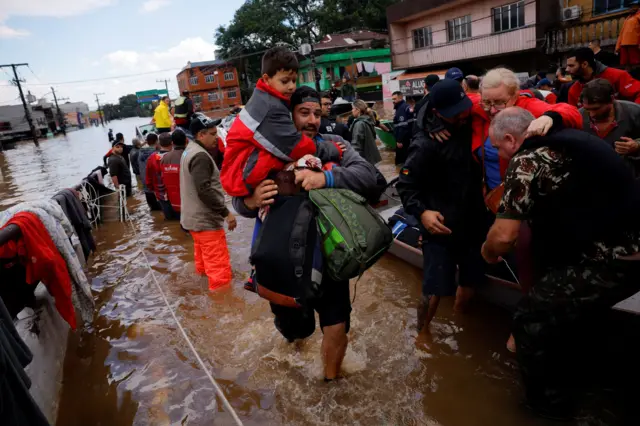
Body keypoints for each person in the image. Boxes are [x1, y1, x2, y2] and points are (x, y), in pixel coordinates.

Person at [482, 106, 640, 420]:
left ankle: (547, 408)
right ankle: (592, 381)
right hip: (627, 240)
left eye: (498, 147)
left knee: (529, 319)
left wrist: (487, 252)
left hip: (616, 258)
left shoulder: (526, 160)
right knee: (569, 310)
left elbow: (503, 237)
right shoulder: (572, 139)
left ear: (511, 139)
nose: (498, 153)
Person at [232, 86, 379, 381]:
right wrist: (251, 200)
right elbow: (239, 202)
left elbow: (370, 177)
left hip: (331, 256)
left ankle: (330, 383)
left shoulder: (335, 144)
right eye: (303, 113)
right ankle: (295, 360)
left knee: (336, 324)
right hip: (283, 262)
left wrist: (325, 177)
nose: (312, 120)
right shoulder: (268, 152)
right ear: (289, 116)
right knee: (297, 333)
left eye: (317, 113)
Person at [397, 79, 487, 334]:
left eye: (462, 109)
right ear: (437, 113)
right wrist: (422, 213)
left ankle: (460, 322)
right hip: (440, 225)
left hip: (473, 221)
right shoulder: (426, 143)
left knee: (471, 281)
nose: (461, 116)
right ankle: (422, 334)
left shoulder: (470, 123)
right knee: (433, 288)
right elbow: (406, 185)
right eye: (454, 113)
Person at [221, 46, 341, 197]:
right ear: (266, 79)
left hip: (239, 171)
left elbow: (367, 176)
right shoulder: (270, 108)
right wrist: (332, 149)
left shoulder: (268, 99)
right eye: (285, 81)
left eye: (293, 80)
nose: (291, 86)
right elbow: (295, 146)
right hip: (240, 175)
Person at [470, 68, 583, 192]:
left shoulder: (527, 108)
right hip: (492, 194)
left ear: (514, 95)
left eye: (499, 102)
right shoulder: (480, 109)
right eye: (486, 102)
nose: (492, 110)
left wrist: (549, 117)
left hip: (524, 193)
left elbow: (572, 113)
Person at [180, 114, 237, 291]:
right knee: (220, 272)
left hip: (193, 220)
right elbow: (204, 190)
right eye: (213, 134)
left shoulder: (189, 150)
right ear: (200, 135)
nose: (217, 137)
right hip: (206, 222)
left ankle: (204, 293)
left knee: (204, 264)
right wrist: (226, 213)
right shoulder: (201, 156)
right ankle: (221, 306)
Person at [579, 78, 640, 175]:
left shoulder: (635, 112)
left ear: (611, 99)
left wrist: (637, 145)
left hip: (628, 177)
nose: (591, 114)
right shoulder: (579, 116)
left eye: (596, 109)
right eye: (587, 109)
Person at [565, 47, 640, 107]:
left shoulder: (617, 76)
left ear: (584, 64)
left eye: (571, 66)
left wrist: (633, 115)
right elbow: (574, 116)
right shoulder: (574, 90)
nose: (567, 69)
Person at [146, 133, 175, 220]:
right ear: (172, 143)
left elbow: (148, 177)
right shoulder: (175, 156)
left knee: (169, 217)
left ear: (159, 143)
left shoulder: (152, 158)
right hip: (175, 192)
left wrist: (152, 189)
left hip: (160, 192)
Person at [160, 129, 187, 220]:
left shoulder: (164, 158)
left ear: (172, 143)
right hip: (189, 201)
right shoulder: (188, 155)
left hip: (173, 201)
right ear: (186, 140)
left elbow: (163, 178)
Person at [350, 99, 382, 166]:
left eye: (352, 108)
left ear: (358, 110)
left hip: (364, 160)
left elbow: (356, 145)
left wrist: (354, 162)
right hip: (371, 159)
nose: (351, 111)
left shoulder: (359, 124)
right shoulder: (368, 120)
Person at [138, 132, 162, 211]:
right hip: (155, 187)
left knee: (153, 211)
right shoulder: (155, 155)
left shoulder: (140, 153)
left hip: (146, 186)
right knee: (162, 210)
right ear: (156, 141)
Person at [392, 91, 414, 165]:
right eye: (392, 99)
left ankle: (405, 174)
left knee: (402, 161)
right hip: (406, 137)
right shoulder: (404, 107)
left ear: (401, 98)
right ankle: (404, 174)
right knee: (405, 159)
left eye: (395, 99)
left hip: (403, 139)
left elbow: (403, 125)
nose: (393, 101)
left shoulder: (401, 108)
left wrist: (399, 140)